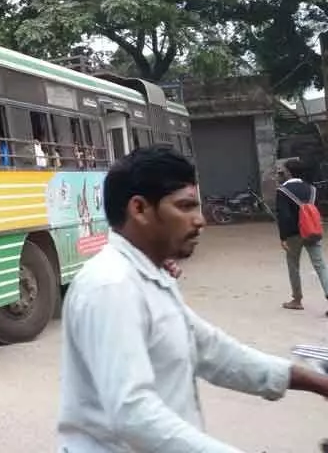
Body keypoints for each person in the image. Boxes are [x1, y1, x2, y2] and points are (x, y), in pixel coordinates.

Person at [58, 145, 328, 452]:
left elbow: (211, 350)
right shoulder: (110, 286)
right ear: (140, 209)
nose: (200, 220)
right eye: (185, 207)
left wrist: (312, 381)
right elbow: (133, 415)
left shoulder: (153, 275)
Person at [275, 158, 328, 313]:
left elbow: (284, 216)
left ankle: (297, 299)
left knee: (293, 266)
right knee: (321, 266)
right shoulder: (311, 189)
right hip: (312, 231)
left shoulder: (282, 191)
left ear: (288, 172)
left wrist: (283, 237)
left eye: (282, 170)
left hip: (293, 234)